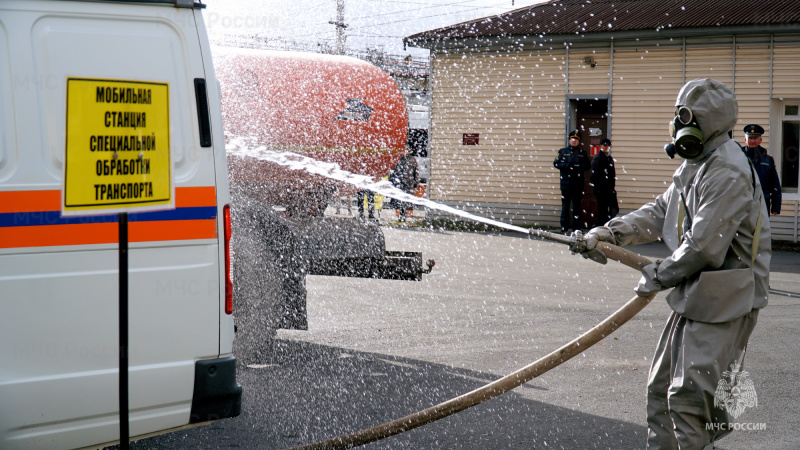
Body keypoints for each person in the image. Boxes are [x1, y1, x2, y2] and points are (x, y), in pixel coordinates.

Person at [572, 79, 770, 449]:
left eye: (684, 116)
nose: (678, 125)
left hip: (726, 299)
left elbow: (703, 248)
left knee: (689, 401)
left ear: (707, 121)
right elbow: (663, 210)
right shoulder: (699, 163)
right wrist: (611, 233)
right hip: (697, 293)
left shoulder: (727, 170)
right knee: (661, 391)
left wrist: (657, 274)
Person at [553, 129, 591, 232]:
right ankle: (564, 226)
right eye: (572, 139)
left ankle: (576, 227)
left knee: (577, 207)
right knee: (565, 206)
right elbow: (556, 164)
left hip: (577, 184)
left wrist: (577, 166)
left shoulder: (582, 153)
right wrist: (568, 166)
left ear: (579, 141)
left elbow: (587, 165)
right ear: (569, 140)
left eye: (576, 139)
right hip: (566, 184)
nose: (574, 141)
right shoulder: (562, 152)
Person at [742, 124, 782, 215]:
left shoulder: (768, 159)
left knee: (762, 228)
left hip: (762, 203)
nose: (752, 141)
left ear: (760, 140)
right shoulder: (738, 157)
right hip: (743, 203)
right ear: (745, 140)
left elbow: (775, 184)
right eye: (750, 138)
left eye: (755, 138)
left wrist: (775, 207)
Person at [590, 138, 618, 225]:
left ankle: (607, 224)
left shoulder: (609, 158)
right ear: (600, 146)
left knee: (614, 208)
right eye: (604, 145)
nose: (606, 147)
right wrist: (598, 187)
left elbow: (612, 174)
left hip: (609, 189)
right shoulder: (598, 158)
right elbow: (594, 175)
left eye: (608, 146)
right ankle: (600, 225)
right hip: (601, 189)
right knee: (602, 209)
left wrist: (612, 187)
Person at [389, 146, 419, 222]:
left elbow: (416, 172)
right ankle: (400, 214)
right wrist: (391, 182)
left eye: (405, 149)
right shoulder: (397, 159)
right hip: (399, 183)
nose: (404, 151)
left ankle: (403, 215)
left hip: (408, 182)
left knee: (405, 200)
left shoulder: (412, 159)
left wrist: (416, 183)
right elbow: (392, 171)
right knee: (399, 199)